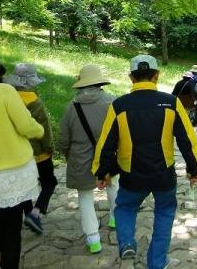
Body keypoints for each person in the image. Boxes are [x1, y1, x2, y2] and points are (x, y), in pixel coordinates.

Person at [92, 55, 197, 269]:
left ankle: (127, 242)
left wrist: (101, 171)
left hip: (132, 175)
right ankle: (157, 263)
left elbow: (106, 143)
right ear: (157, 75)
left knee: (124, 208)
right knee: (165, 214)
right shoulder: (171, 102)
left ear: (131, 77)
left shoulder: (119, 105)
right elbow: (187, 140)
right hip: (164, 175)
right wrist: (192, 169)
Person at [0, 45, 44, 269]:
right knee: (11, 231)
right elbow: (27, 127)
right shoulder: (3, 91)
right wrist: (39, 130)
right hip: (11, 174)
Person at [58, 64, 118, 254]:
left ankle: (93, 240)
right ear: (99, 82)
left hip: (80, 158)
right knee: (113, 185)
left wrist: (67, 154)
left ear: (81, 84)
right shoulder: (112, 103)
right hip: (108, 156)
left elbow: (63, 138)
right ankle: (115, 217)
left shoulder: (71, 107)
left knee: (85, 197)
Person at [3, 64, 57, 236]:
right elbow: (45, 128)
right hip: (39, 152)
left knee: (26, 186)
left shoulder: (8, 98)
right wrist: (50, 147)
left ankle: (28, 215)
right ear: (31, 82)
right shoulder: (35, 102)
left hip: (17, 152)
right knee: (49, 182)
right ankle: (35, 213)